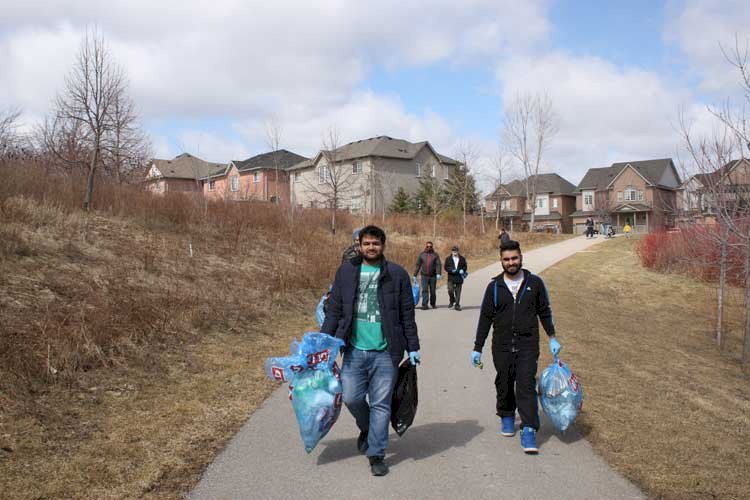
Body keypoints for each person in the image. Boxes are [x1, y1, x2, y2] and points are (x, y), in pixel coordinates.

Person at [321, 225, 420, 477]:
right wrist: (324, 341)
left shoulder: (397, 274)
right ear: (359, 245)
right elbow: (333, 310)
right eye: (367, 243)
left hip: (387, 352)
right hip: (354, 349)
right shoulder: (345, 272)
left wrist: (414, 346)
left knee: (381, 404)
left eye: (376, 243)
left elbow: (407, 314)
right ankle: (367, 428)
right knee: (352, 397)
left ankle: (376, 454)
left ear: (383, 245)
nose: (371, 247)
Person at [470, 240, 560, 454]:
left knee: (526, 385)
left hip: (527, 344)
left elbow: (544, 312)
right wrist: (477, 347)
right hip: (500, 346)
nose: (511, 262)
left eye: (514, 258)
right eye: (507, 259)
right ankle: (507, 414)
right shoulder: (494, 287)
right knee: (504, 381)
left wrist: (552, 337)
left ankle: (528, 428)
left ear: (521, 258)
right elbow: (485, 319)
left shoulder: (535, 283)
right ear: (501, 261)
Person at [413, 241, 442, 310]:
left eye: (430, 246)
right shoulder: (422, 255)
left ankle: (433, 304)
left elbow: (438, 264)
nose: (429, 248)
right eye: (427, 246)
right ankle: (425, 305)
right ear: (425, 247)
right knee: (425, 290)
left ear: (432, 247)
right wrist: (415, 275)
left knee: (432, 291)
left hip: (433, 276)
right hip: (424, 276)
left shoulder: (435, 255)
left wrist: (438, 273)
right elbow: (418, 265)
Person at [444, 245, 468, 311]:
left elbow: (465, 266)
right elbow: (445, 267)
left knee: (458, 292)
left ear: (458, 251)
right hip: (451, 277)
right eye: (453, 251)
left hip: (459, 277)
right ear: (452, 251)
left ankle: (457, 305)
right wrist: (451, 270)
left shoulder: (462, 258)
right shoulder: (448, 259)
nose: (455, 252)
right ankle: (452, 300)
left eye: (456, 251)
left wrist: (463, 270)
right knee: (450, 290)